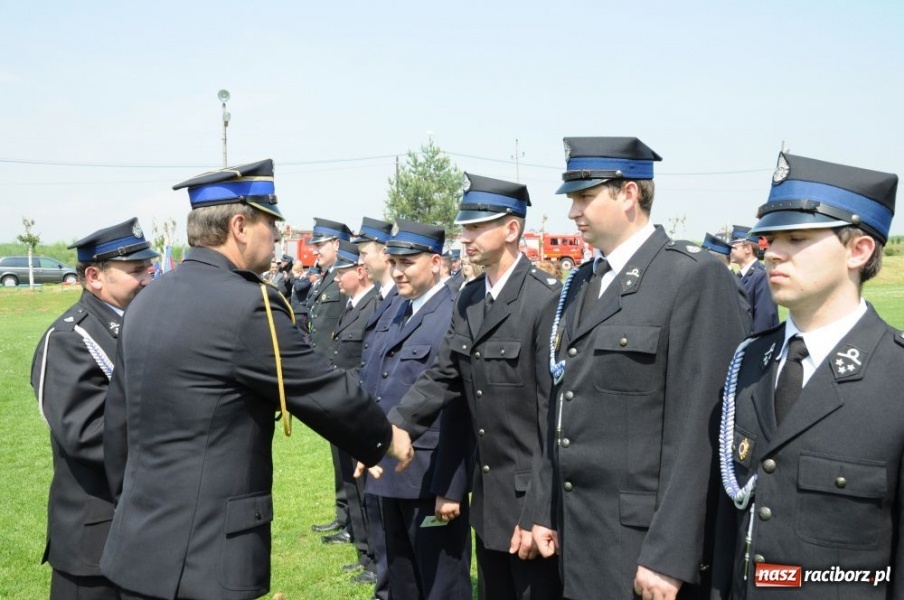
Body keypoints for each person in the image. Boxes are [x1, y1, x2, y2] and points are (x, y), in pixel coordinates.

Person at [99, 159, 412, 600]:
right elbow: (321, 389)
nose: (279, 234)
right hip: (208, 563)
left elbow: (118, 429)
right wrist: (387, 437)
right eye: (271, 222)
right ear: (241, 226)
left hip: (137, 550)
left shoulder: (147, 301)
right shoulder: (249, 306)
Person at [531, 137, 750, 599]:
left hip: (642, 544)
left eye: (585, 197)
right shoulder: (584, 283)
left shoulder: (690, 277)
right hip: (579, 531)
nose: (573, 212)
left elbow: (700, 430)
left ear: (629, 194)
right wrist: (543, 506)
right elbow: (561, 408)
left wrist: (670, 554)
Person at [712, 152, 901, 599]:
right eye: (771, 238)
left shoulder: (897, 376)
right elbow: (728, 520)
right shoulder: (750, 361)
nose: (772, 252)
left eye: (796, 237)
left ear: (858, 250)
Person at [388, 173, 563, 599]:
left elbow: (550, 416)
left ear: (511, 229)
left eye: (476, 227)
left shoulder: (545, 299)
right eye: (463, 227)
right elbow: (443, 376)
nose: (465, 237)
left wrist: (539, 509)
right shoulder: (469, 298)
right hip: (489, 499)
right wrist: (390, 429)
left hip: (530, 501)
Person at [30, 218, 157, 600]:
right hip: (95, 540)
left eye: (148, 269)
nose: (148, 279)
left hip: (143, 524)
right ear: (94, 276)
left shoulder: (141, 324)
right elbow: (87, 435)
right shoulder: (71, 338)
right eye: (136, 271)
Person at [358, 220, 472, 600]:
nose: (397, 271)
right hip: (390, 471)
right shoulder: (398, 311)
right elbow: (379, 386)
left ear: (436, 262)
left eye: (408, 262)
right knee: (402, 584)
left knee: (442, 587)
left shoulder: (454, 313)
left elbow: (459, 407)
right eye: (393, 262)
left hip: (429, 479)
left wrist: (451, 488)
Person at [328, 239, 382, 585]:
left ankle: (376, 557)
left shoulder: (373, 306)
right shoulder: (351, 307)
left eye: (342, 271)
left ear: (360, 273)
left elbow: (366, 363)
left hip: (360, 408)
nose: (335, 278)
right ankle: (364, 554)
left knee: (365, 489)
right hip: (343, 407)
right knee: (351, 483)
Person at [304, 217, 356, 542]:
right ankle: (344, 514)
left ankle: (353, 521)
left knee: (348, 456)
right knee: (338, 455)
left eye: (320, 245)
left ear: (336, 245)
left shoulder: (346, 278)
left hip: (339, 377)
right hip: (326, 376)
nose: (315, 251)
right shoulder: (328, 278)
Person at [730, 225, 779, 334]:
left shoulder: (761, 276)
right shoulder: (741, 275)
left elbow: (764, 319)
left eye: (734, 247)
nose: (730, 251)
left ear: (747, 249)